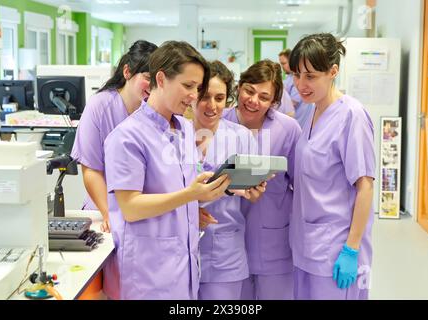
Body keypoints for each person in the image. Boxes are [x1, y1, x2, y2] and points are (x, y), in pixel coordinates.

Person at [103, 41, 232, 300]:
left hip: (184, 271)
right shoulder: (128, 137)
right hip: (149, 276)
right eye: (188, 86)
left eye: (198, 88)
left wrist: (195, 206)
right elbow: (131, 206)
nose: (194, 96)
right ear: (160, 79)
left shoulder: (184, 130)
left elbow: (184, 182)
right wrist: (189, 196)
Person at [289, 33, 375, 300]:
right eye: (296, 74)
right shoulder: (311, 110)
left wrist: (351, 249)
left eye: (310, 76)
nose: (301, 84)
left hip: (336, 248)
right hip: (307, 245)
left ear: (333, 71)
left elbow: (365, 186)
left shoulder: (352, 115)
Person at [70, 39, 157, 299]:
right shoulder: (101, 107)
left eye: (158, 79)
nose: (152, 87)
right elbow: (92, 170)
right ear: (127, 72)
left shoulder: (153, 111)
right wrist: (111, 214)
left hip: (142, 211)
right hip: (104, 210)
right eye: (147, 78)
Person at [223, 59, 301, 300]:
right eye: (249, 90)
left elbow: (299, 186)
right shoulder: (219, 123)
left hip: (275, 239)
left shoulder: (288, 130)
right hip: (228, 243)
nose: (253, 101)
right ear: (239, 88)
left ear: (274, 102)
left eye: (264, 97)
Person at [192, 60, 266, 300]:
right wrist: (189, 211)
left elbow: (252, 191)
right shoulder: (173, 136)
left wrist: (256, 193)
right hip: (180, 252)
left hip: (226, 253)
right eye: (205, 96)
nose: (211, 106)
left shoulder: (242, 138)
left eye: (219, 98)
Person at [279, 49, 313, 129]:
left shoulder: (298, 79)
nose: (282, 67)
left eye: (284, 63)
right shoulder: (288, 78)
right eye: (281, 64)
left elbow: (293, 103)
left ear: (291, 62)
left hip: (299, 122)